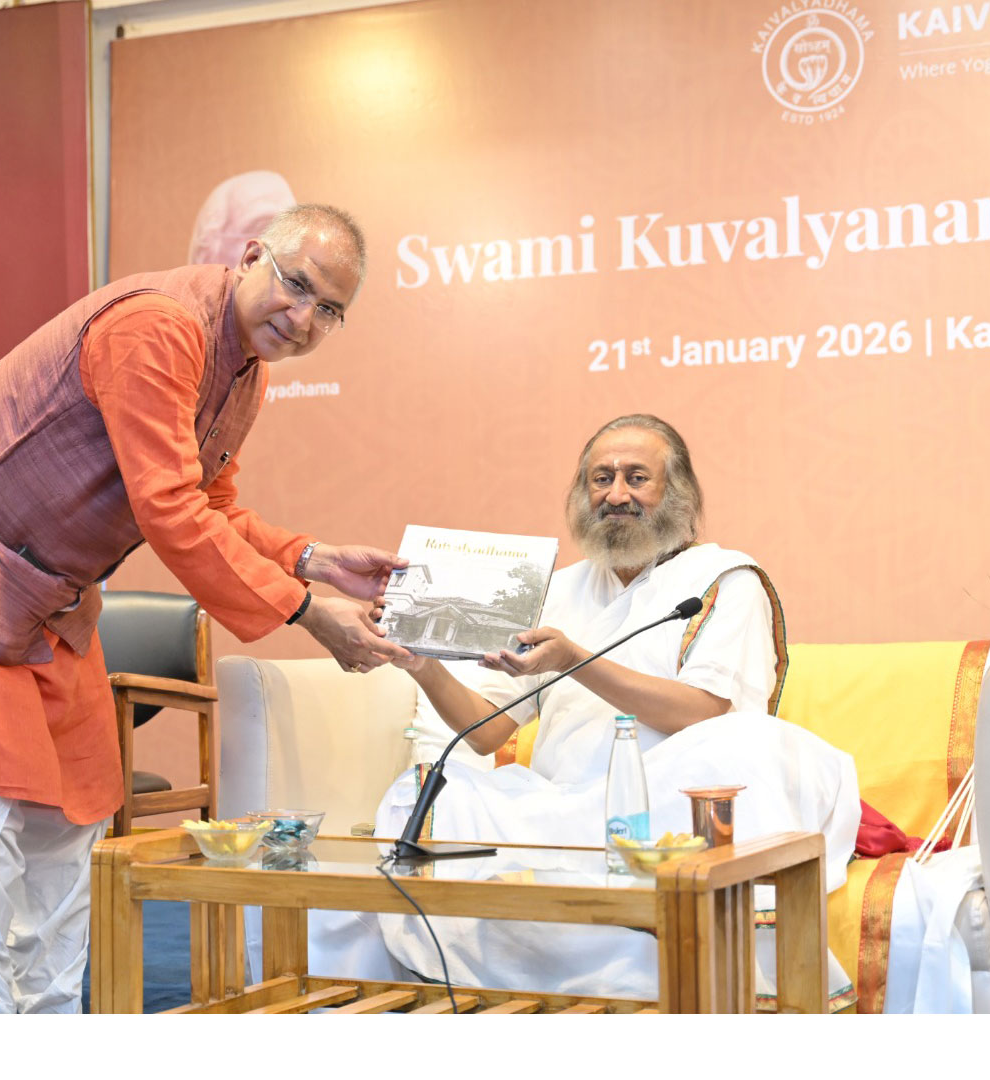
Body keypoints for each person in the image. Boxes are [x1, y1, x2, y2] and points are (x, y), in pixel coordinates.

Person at [0, 203, 411, 1014]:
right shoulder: (160, 327)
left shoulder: (247, 370)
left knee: (68, 822)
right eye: (298, 285)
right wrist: (309, 612)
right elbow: (170, 511)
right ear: (252, 256)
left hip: (52, 603)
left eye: (330, 310)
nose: (305, 317)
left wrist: (313, 559)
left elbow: (211, 504)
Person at [313, 413, 860, 1007]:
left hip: (674, 812)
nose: (616, 495)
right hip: (566, 812)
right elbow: (485, 731)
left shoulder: (725, 578)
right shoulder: (556, 589)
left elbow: (704, 714)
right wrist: (419, 662)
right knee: (426, 795)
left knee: (750, 742)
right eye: (601, 479)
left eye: (636, 478)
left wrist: (576, 658)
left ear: (677, 493)